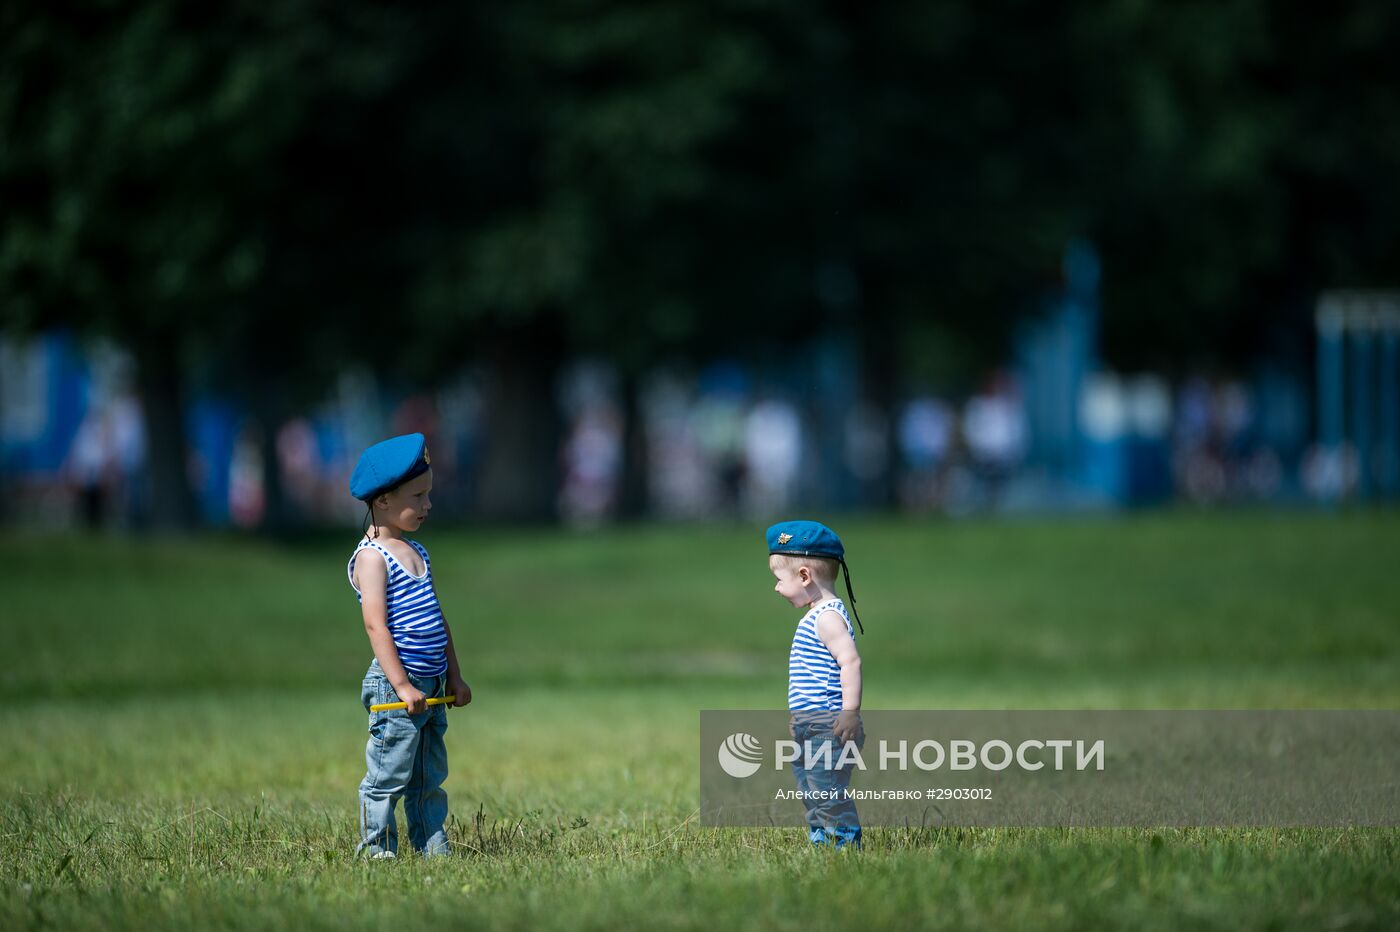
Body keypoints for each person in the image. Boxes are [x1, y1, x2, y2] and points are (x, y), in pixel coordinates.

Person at [347, 433, 472, 858]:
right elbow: (376, 627)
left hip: (431, 684)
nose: (428, 505)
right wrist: (401, 686)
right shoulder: (372, 557)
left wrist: (454, 675)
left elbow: (439, 620)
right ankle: (376, 849)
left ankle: (430, 843)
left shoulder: (417, 550)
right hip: (396, 686)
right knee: (387, 775)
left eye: (428, 495)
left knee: (428, 774)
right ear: (382, 500)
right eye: (418, 496)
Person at [766, 520, 866, 849]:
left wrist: (850, 713)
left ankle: (846, 846)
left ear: (805, 576)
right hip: (811, 724)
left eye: (780, 580)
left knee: (827, 791)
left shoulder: (827, 617)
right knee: (811, 790)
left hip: (830, 725)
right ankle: (821, 842)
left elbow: (850, 662)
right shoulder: (816, 615)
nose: (776, 589)